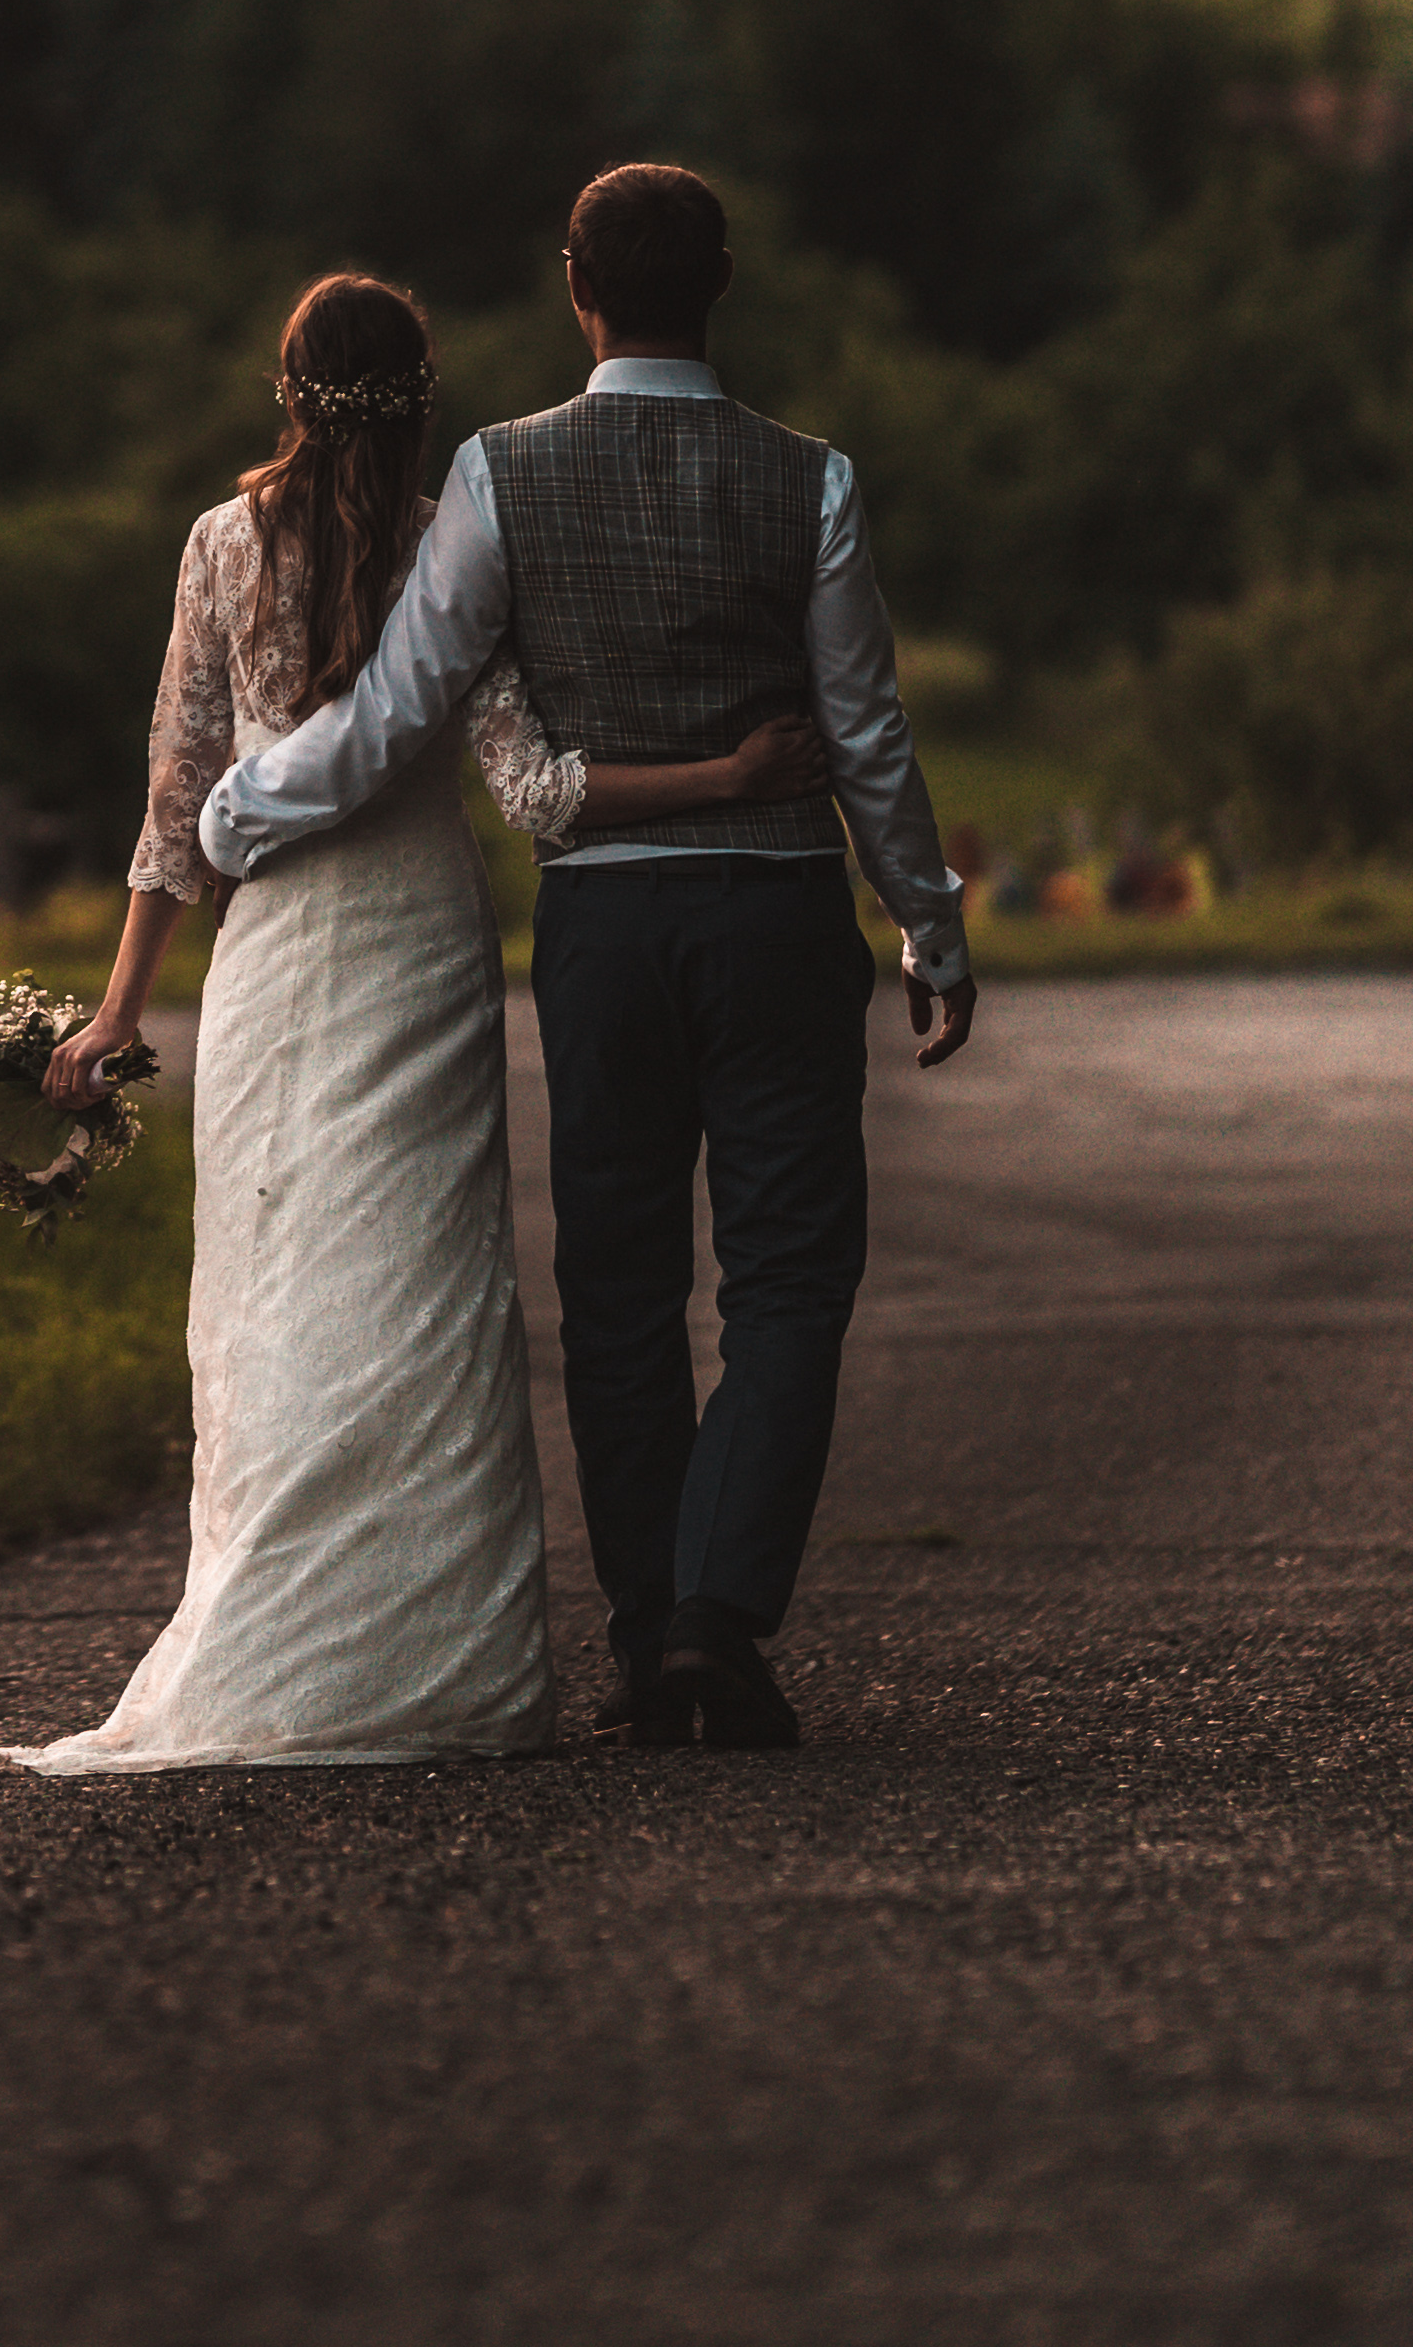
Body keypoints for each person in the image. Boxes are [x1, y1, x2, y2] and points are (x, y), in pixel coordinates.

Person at [2, 269, 842, 1775]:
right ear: (426, 391)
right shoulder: (457, 538)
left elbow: (177, 807)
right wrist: (729, 779)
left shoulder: (218, 545)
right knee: (427, 1298)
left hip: (275, 956)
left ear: (286, 389)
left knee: (275, 1290)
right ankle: (432, 1656)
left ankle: (279, 1629)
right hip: (416, 943)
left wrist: (122, 1006)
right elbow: (532, 789)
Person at [198, 161, 974, 1753]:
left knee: (617, 1292)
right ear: (726, 283)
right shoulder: (807, 479)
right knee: (787, 1280)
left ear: (577, 288)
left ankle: (644, 1640)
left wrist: (238, 807)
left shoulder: (501, 474)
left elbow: (400, 706)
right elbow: (863, 727)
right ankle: (712, 1617)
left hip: (608, 930)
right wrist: (928, 920)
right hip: (771, 916)